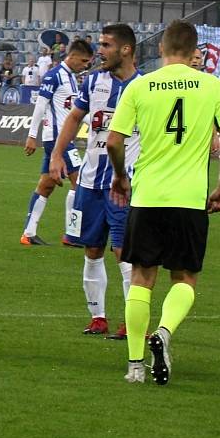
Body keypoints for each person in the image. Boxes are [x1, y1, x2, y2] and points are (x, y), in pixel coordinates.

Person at [107, 19, 220, 385]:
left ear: (162, 48)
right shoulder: (212, 86)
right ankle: (163, 333)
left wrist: (120, 176)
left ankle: (135, 365)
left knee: (141, 278)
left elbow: (114, 141)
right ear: (195, 52)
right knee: (184, 277)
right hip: (190, 199)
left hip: (148, 195)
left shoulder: (141, 85)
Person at [49, 24, 140, 338]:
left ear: (125, 49)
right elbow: (75, 117)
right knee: (91, 249)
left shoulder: (143, 88)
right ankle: (98, 317)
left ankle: (132, 320)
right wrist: (57, 155)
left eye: (106, 45)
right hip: (89, 182)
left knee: (124, 252)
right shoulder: (93, 81)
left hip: (123, 185)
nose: (99, 50)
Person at [21, 40, 93, 245]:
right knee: (78, 181)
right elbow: (40, 105)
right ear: (72, 57)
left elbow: (73, 110)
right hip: (57, 139)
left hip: (61, 139)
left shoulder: (70, 77)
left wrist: (99, 125)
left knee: (46, 185)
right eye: (84, 61)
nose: (86, 65)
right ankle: (72, 234)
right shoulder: (54, 76)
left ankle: (28, 233)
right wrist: (32, 135)